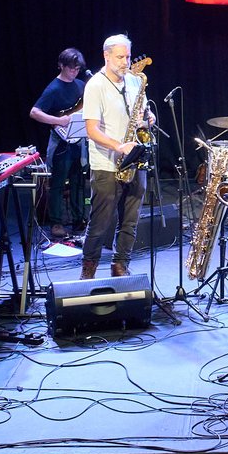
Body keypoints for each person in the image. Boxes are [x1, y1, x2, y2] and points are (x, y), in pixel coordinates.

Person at [81, 34, 153, 280]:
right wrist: (118, 146)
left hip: (135, 160)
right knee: (100, 223)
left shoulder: (133, 81)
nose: (125, 62)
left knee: (130, 220)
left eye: (128, 57)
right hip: (106, 163)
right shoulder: (95, 86)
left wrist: (148, 118)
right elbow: (92, 130)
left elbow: (141, 113)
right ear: (106, 55)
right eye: (120, 57)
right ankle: (88, 271)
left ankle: (120, 264)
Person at [29, 48, 88, 239]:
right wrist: (58, 120)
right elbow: (34, 112)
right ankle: (56, 223)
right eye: (71, 68)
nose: (74, 72)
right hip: (61, 143)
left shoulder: (81, 85)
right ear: (61, 65)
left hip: (78, 141)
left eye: (77, 69)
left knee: (79, 182)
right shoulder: (53, 88)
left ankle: (79, 220)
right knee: (58, 183)